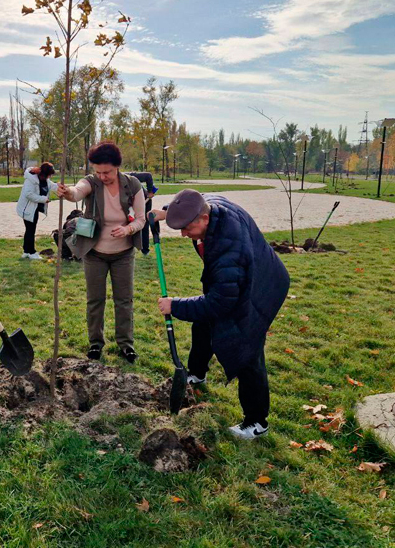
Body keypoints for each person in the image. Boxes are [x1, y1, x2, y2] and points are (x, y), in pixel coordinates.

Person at [150, 190, 290, 440]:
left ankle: (257, 423)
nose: (183, 234)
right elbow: (194, 197)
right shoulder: (209, 207)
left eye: (186, 228)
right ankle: (196, 373)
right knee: (203, 323)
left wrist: (176, 306)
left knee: (247, 351)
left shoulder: (229, 246)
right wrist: (167, 212)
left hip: (262, 288)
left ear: (204, 219)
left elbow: (220, 303)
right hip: (239, 278)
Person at [57, 141, 146, 363]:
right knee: (95, 300)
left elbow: (142, 219)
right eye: (98, 171)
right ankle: (95, 344)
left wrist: (128, 229)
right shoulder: (91, 182)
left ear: (117, 166)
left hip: (123, 254)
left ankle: (126, 344)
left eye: (107, 172)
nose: (102, 176)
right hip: (94, 253)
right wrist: (67, 192)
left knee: (123, 300)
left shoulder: (133, 185)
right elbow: (77, 192)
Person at [16, 162, 58, 260]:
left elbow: (51, 185)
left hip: (34, 208)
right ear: (44, 173)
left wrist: (60, 187)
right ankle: (32, 252)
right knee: (31, 230)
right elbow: (29, 195)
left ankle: (26, 251)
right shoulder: (30, 181)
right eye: (49, 175)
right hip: (27, 209)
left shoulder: (44, 180)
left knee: (29, 230)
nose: (50, 177)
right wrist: (43, 199)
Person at [127, 171, 158, 255]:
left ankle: (145, 249)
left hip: (145, 200)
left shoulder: (130, 177)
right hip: (132, 201)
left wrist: (150, 191)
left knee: (144, 224)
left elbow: (148, 175)